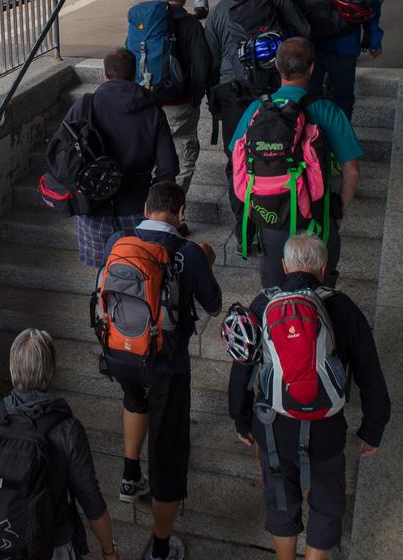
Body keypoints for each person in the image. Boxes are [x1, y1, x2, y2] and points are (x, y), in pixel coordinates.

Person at [228, 235, 391, 560]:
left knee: (279, 496)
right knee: (328, 501)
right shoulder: (342, 307)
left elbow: (242, 368)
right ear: (324, 267)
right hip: (326, 424)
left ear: (285, 265)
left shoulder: (263, 304)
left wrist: (241, 418)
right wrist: (373, 427)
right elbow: (369, 370)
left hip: (273, 423)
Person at [97, 182, 222, 560]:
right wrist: (207, 262)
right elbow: (213, 304)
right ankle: (162, 550)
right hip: (168, 365)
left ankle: (129, 476)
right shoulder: (187, 252)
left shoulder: (119, 239)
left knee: (134, 400)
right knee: (168, 453)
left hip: (122, 355)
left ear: (147, 208)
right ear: (181, 213)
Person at [0, 329, 120, 560]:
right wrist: (109, 551)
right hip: (50, 544)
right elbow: (90, 498)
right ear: (51, 369)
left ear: (12, 368)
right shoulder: (67, 429)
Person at [226, 39, 363, 287]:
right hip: (317, 219)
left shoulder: (256, 109)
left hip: (270, 218)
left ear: (277, 67)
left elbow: (235, 159)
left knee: (275, 290)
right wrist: (338, 209)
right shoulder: (327, 110)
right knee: (320, 290)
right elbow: (351, 169)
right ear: (311, 69)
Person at [68, 49, 178, 267]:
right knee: (140, 273)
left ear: (105, 74)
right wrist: (152, 205)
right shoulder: (152, 110)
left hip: (93, 210)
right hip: (137, 209)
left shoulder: (85, 105)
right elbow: (168, 167)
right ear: (135, 74)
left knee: (104, 276)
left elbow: (65, 156)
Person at [204, 0, 312, 147]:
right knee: (280, 147)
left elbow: (212, 58)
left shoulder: (218, 11)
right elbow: (304, 36)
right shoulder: (278, 0)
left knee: (237, 151)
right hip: (276, 87)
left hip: (234, 89)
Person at [130, 0, 218, 194]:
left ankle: (149, 208)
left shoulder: (148, 24)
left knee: (151, 154)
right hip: (179, 103)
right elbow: (202, 67)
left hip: (147, 99)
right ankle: (170, 213)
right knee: (183, 158)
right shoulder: (192, 25)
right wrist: (197, 99)